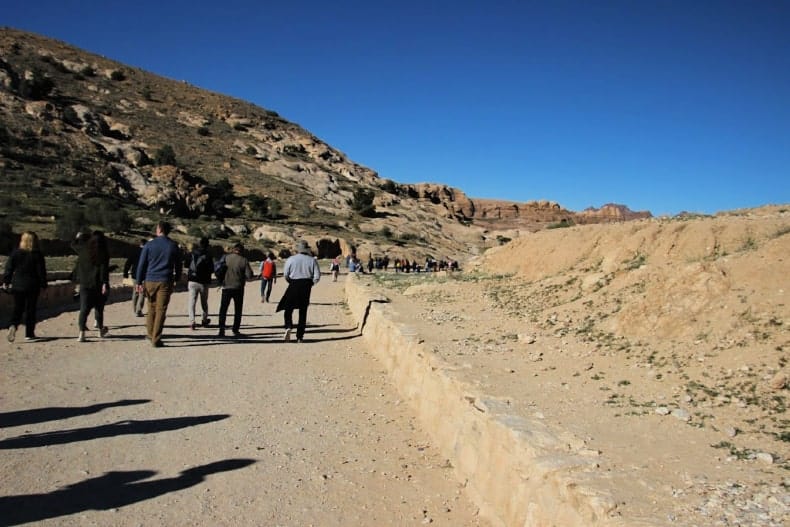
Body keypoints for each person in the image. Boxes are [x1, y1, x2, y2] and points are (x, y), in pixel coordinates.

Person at [135, 221, 182, 348]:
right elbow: (178, 264)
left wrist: (139, 281)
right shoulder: (173, 245)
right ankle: (156, 338)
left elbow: (142, 264)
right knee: (161, 310)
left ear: (159, 230)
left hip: (150, 279)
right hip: (165, 280)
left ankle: (150, 334)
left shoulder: (149, 245)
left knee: (151, 308)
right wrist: (177, 277)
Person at [3, 231, 48, 342]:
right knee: (30, 309)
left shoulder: (16, 253)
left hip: (18, 285)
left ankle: (13, 325)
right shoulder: (37, 254)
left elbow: (9, 269)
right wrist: (44, 285)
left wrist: (6, 282)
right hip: (33, 285)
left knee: (18, 308)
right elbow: (41, 272)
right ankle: (29, 333)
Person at [276, 240, 320, 343]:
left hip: (294, 283)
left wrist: (290, 281)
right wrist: (311, 283)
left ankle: (288, 326)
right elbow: (317, 276)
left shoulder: (291, 259)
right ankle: (300, 336)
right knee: (303, 311)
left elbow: (286, 274)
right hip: (306, 285)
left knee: (288, 307)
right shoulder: (312, 260)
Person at [73, 231, 110, 342]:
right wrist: (105, 283)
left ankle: (81, 333)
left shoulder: (83, 250)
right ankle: (100, 331)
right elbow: (104, 270)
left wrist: (78, 237)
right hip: (98, 284)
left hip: (85, 283)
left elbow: (73, 245)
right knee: (99, 308)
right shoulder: (104, 253)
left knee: (84, 308)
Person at [217, 242, 254, 338]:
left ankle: (221, 328)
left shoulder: (226, 258)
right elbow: (249, 275)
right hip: (238, 288)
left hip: (226, 286)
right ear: (241, 251)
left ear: (234, 249)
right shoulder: (244, 260)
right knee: (238, 310)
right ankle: (235, 329)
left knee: (223, 309)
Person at [186, 237, 213, 330]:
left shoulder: (192, 253)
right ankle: (204, 319)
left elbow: (186, 264)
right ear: (207, 245)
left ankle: (192, 321)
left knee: (192, 301)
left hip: (192, 280)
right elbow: (211, 269)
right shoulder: (208, 255)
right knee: (204, 302)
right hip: (203, 282)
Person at [123, 239, 146, 317]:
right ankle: (139, 310)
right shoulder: (147, 252)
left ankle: (134, 309)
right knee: (142, 293)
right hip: (144, 275)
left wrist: (125, 273)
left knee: (135, 291)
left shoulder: (134, 252)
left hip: (134, 274)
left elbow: (128, 263)